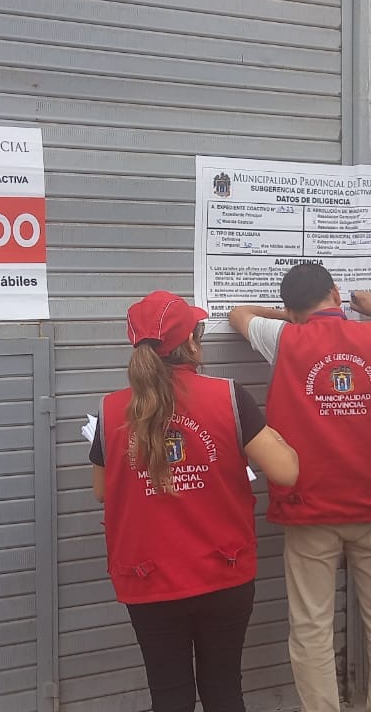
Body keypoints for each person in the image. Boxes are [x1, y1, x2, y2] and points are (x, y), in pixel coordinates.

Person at [228, 263, 371, 712]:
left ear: (291, 307)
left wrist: (290, 318)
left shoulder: (282, 337)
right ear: (336, 292)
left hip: (309, 510)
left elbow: (237, 312)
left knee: (311, 626)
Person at [89, 290, 300, 712]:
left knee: (169, 696)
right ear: (192, 342)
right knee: (223, 691)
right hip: (222, 571)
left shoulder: (112, 410)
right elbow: (286, 472)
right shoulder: (228, 397)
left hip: (148, 579)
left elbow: (102, 489)